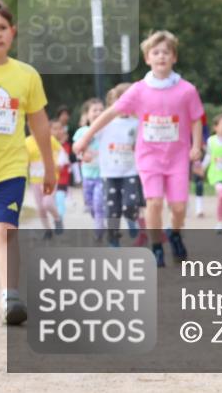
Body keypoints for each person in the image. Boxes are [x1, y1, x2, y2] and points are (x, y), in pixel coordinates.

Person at [75, 30, 204, 268]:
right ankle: (156, 246)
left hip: (176, 157)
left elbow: (196, 118)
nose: (161, 57)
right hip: (149, 157)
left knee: (178, 207)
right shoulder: (139, 89)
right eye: (156, 52)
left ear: (174, 57)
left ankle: (174, 233)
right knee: (154, 203)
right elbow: (110, 113)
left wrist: (196, 145)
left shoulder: (186, 90)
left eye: (166, 52)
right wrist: (86, 138)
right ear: (147, 58)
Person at [0, 0, 56, 325]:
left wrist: (49, 167)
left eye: (1, 27)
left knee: (5, 229)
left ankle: (10, 296)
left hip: (9, 168)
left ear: (13, 32)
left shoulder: (26, 76)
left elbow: (39, 124)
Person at [93, 83, 146, 247]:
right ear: (111, 104)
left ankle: (132, 220)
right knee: (112, 210)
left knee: (131, 205)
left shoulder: (137, 123)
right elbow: (90, 137)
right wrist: (85, 151)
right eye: (119, 101)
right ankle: (113, 239)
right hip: (109, 173)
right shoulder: (104, 123)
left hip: (130, 172)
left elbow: (144, 143)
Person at [24, 121, 65, 238]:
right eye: (33, 127)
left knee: (47, 202)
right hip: (35, 181)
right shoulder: (26, 142)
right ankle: (48, 231)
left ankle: (57, 218)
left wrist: (60, 163)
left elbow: (61, 151)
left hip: (49, 179)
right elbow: (24, 160)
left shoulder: (49, 139)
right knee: (40, 208)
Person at [72, 98, 105, 240]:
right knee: (89, 203)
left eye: (101, 110)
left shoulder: (107, 130)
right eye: (94, 110)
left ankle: (99, 228)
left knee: (98, 203)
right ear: (87, 114)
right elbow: (75, 149)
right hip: (87, 175)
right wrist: (81, 155)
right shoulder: (82, 132)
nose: (98, 113)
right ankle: (97, 218)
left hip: (103, 175)